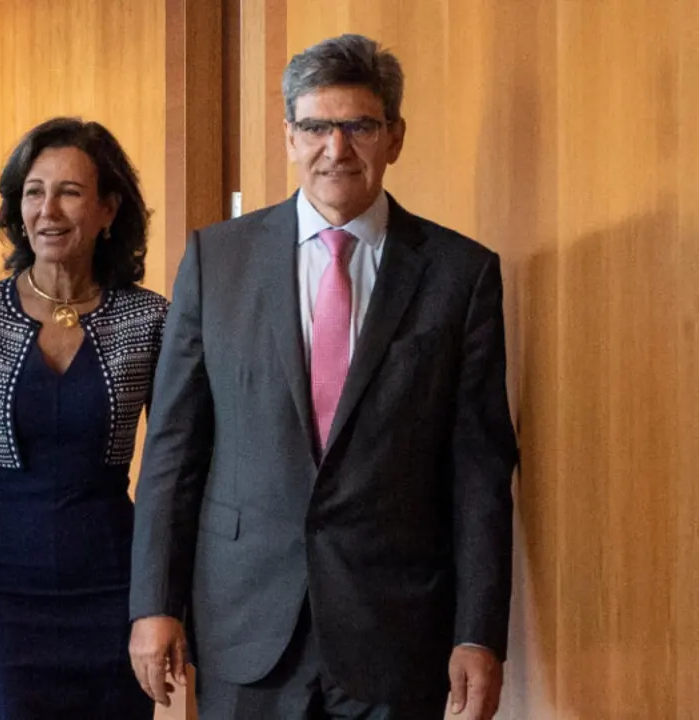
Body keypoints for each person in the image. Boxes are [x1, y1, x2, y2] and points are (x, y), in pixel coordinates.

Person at [129, 34, 519, 720]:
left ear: (393, 137)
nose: (336, 149)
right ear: (288, 136)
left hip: (396, 629)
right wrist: (154, 604)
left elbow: (480, 470)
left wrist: (478, 632)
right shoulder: (216, 260)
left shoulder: (461, 276)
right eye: (315, 126)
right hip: (244, 623)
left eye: (359, 126)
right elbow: (173, 450)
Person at [0, 117, 168, 720]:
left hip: (115, 586)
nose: (47, 209)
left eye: (70, 192)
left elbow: (174, 466)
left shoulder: (150, 318)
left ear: (109, 210)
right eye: (33, 191)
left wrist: (167, 601)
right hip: (1, 591)